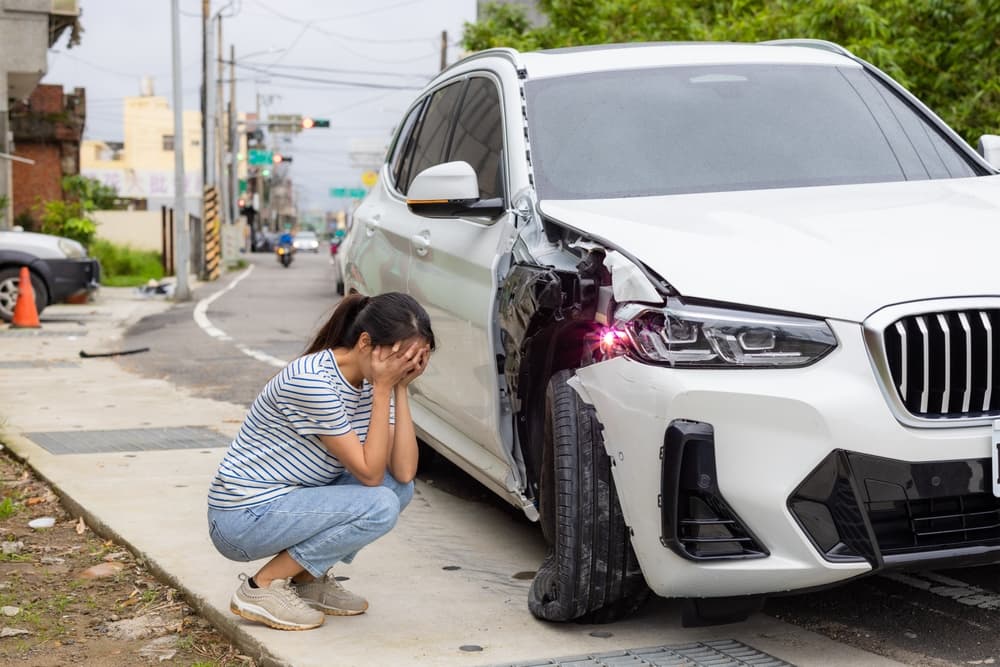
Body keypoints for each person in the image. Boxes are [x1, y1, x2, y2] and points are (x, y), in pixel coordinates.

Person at [207, 292, 434, 631]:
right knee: (380, 502)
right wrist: (385, 388)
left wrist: (400, 388)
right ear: (365, 342)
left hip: (288, 501)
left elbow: (402, 471)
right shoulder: (314, 382)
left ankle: (307, 581)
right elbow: (370, 475)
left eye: (414, 362)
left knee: (397, 488)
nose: (406, 367)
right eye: (402, 358)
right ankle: (260, 588)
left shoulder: (375, 381)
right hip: (242, 516)